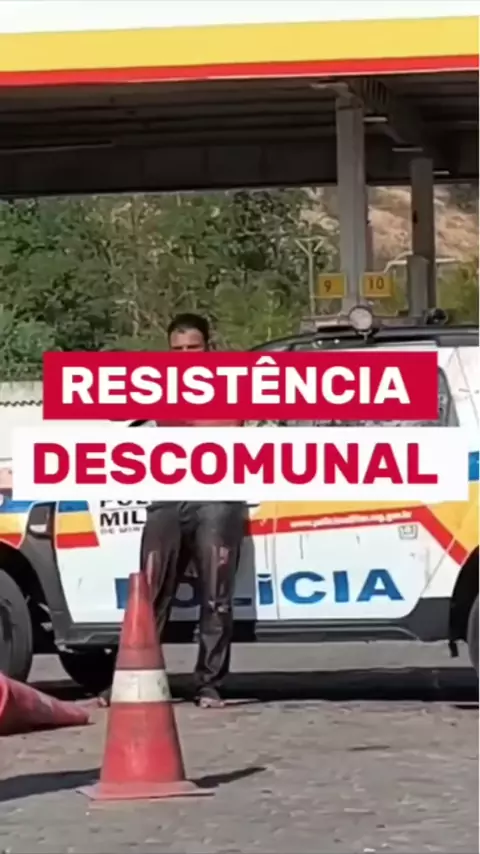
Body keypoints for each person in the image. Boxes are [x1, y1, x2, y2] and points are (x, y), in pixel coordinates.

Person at [141, 313, 245, 708]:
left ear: (208, 347)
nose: (185, 355)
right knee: (150, 591)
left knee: (216, 596)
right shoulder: (158, 386)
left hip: (217, 496)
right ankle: (137, 679)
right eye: (178, 349)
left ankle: (209, 684)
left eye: (193, 348)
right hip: (169, 495)